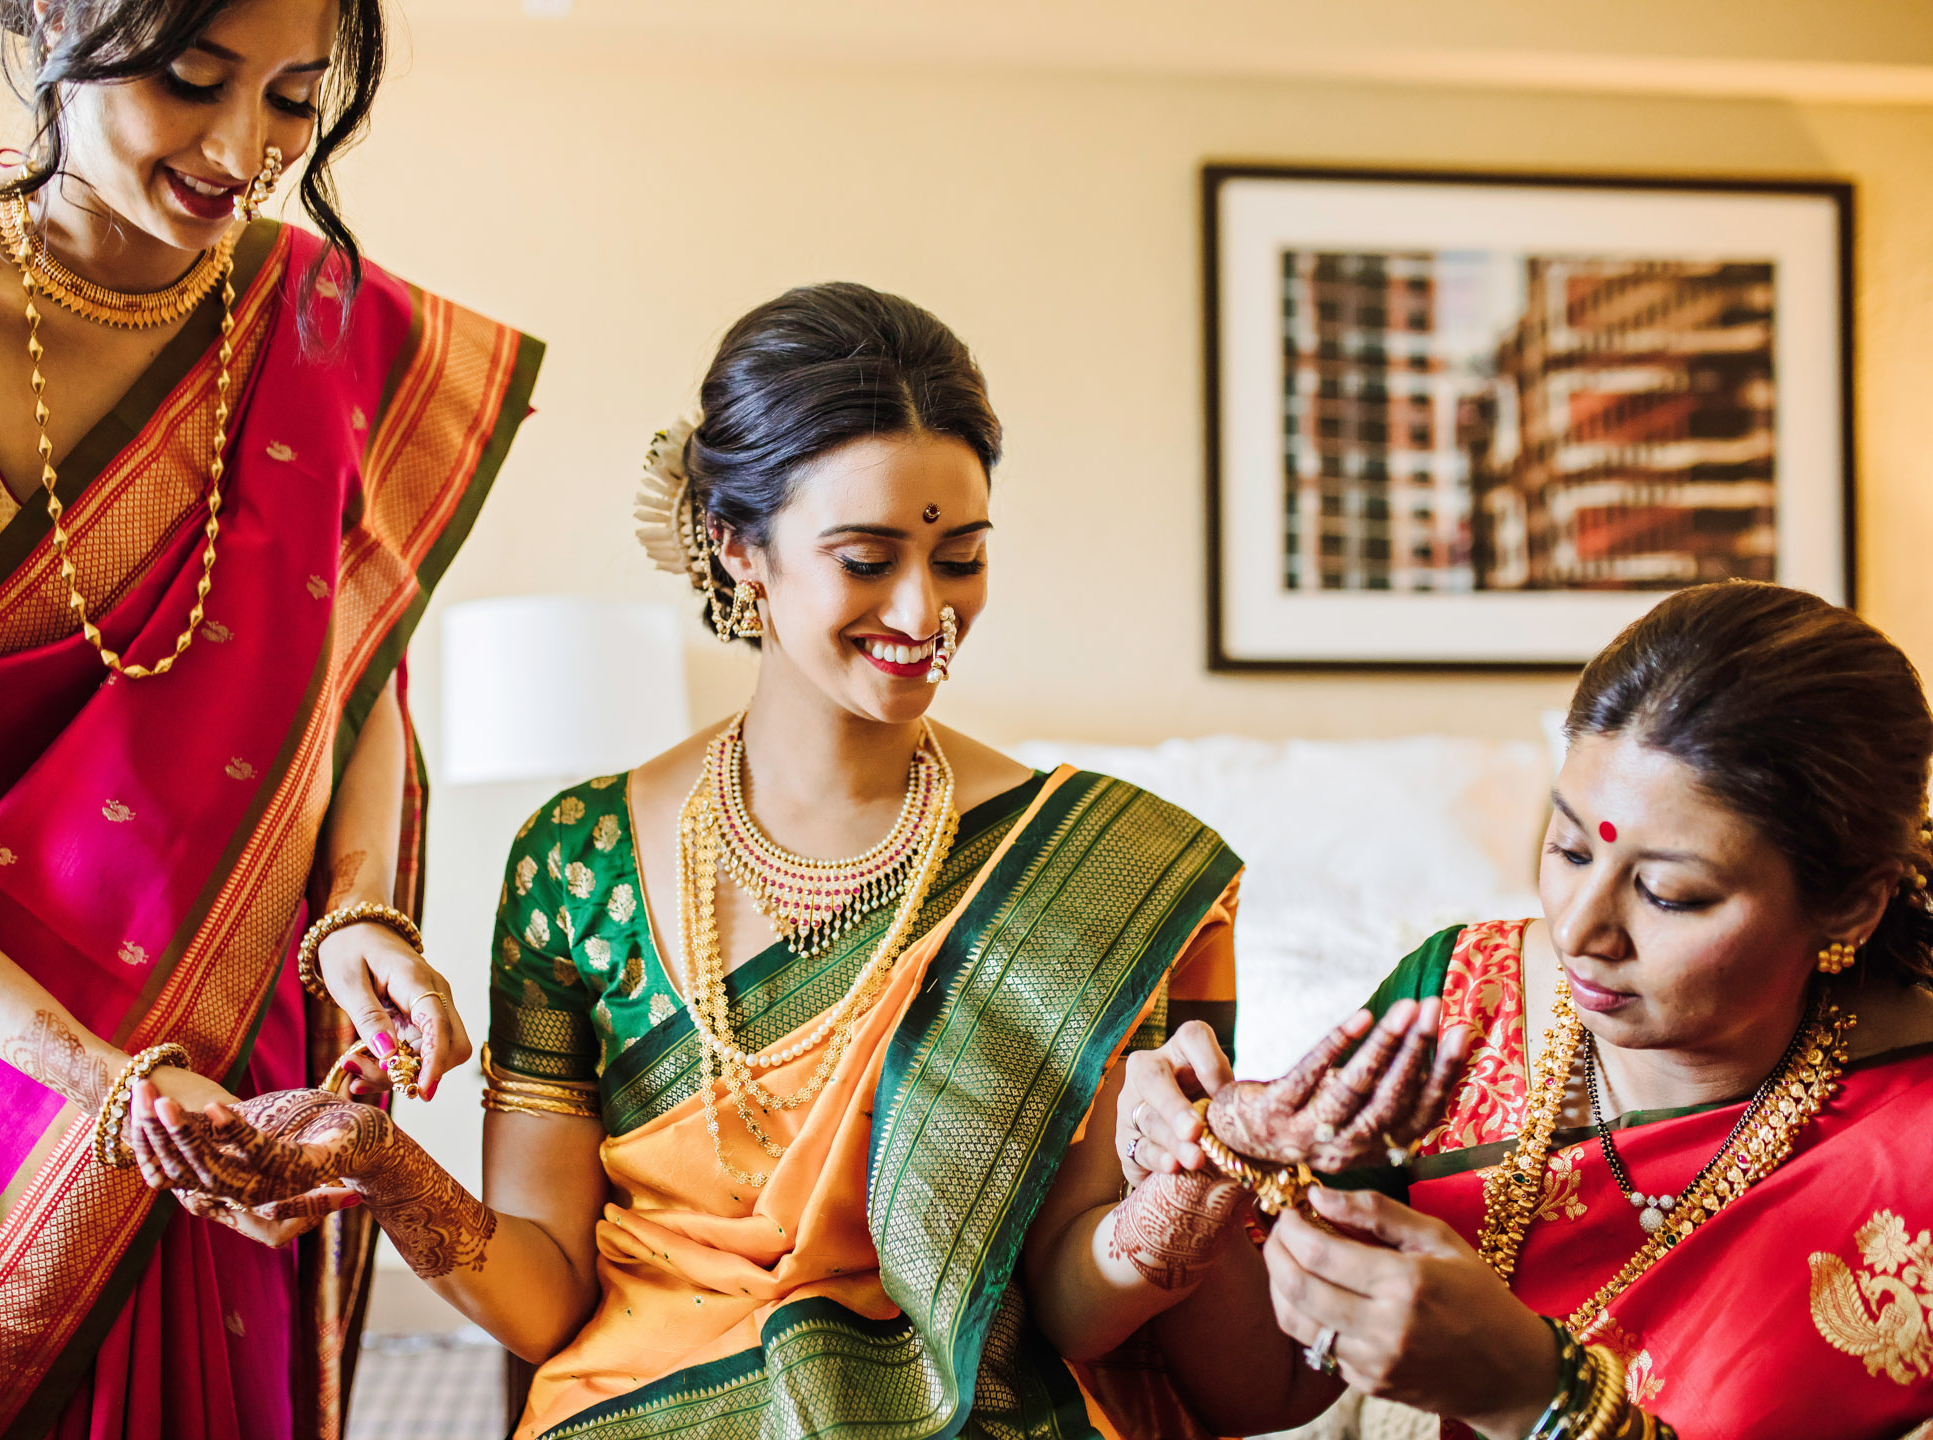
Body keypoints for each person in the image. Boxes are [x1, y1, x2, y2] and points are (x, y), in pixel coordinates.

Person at [129, 281, 1460, 1439]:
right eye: (869, 558)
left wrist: (1183, 1201)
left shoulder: (1102, 869)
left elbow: (1069, 1305)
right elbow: (548, 1299)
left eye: (963, 558)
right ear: (738, 546)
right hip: (643, 1412)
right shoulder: (578, 860)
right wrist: (385, 1164)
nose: (926, 613)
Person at [0, 0, 539, 1433]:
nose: (244, 149)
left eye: (296, 101)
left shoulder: (323, 315)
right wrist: (105, 1081)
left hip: (218, 1061)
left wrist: (357, 914)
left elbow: (354, 666)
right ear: (56, 21)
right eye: (194, 81)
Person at [1115, 581, 1933, 1439]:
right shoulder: (1459, 1003)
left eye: (1669, 894)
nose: (1580, 928)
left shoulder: (1906, 1141)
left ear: (1850, 906)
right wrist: (1200, 1167)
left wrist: (1538, 1397)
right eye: (1569, 847)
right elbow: (1271, 1384)